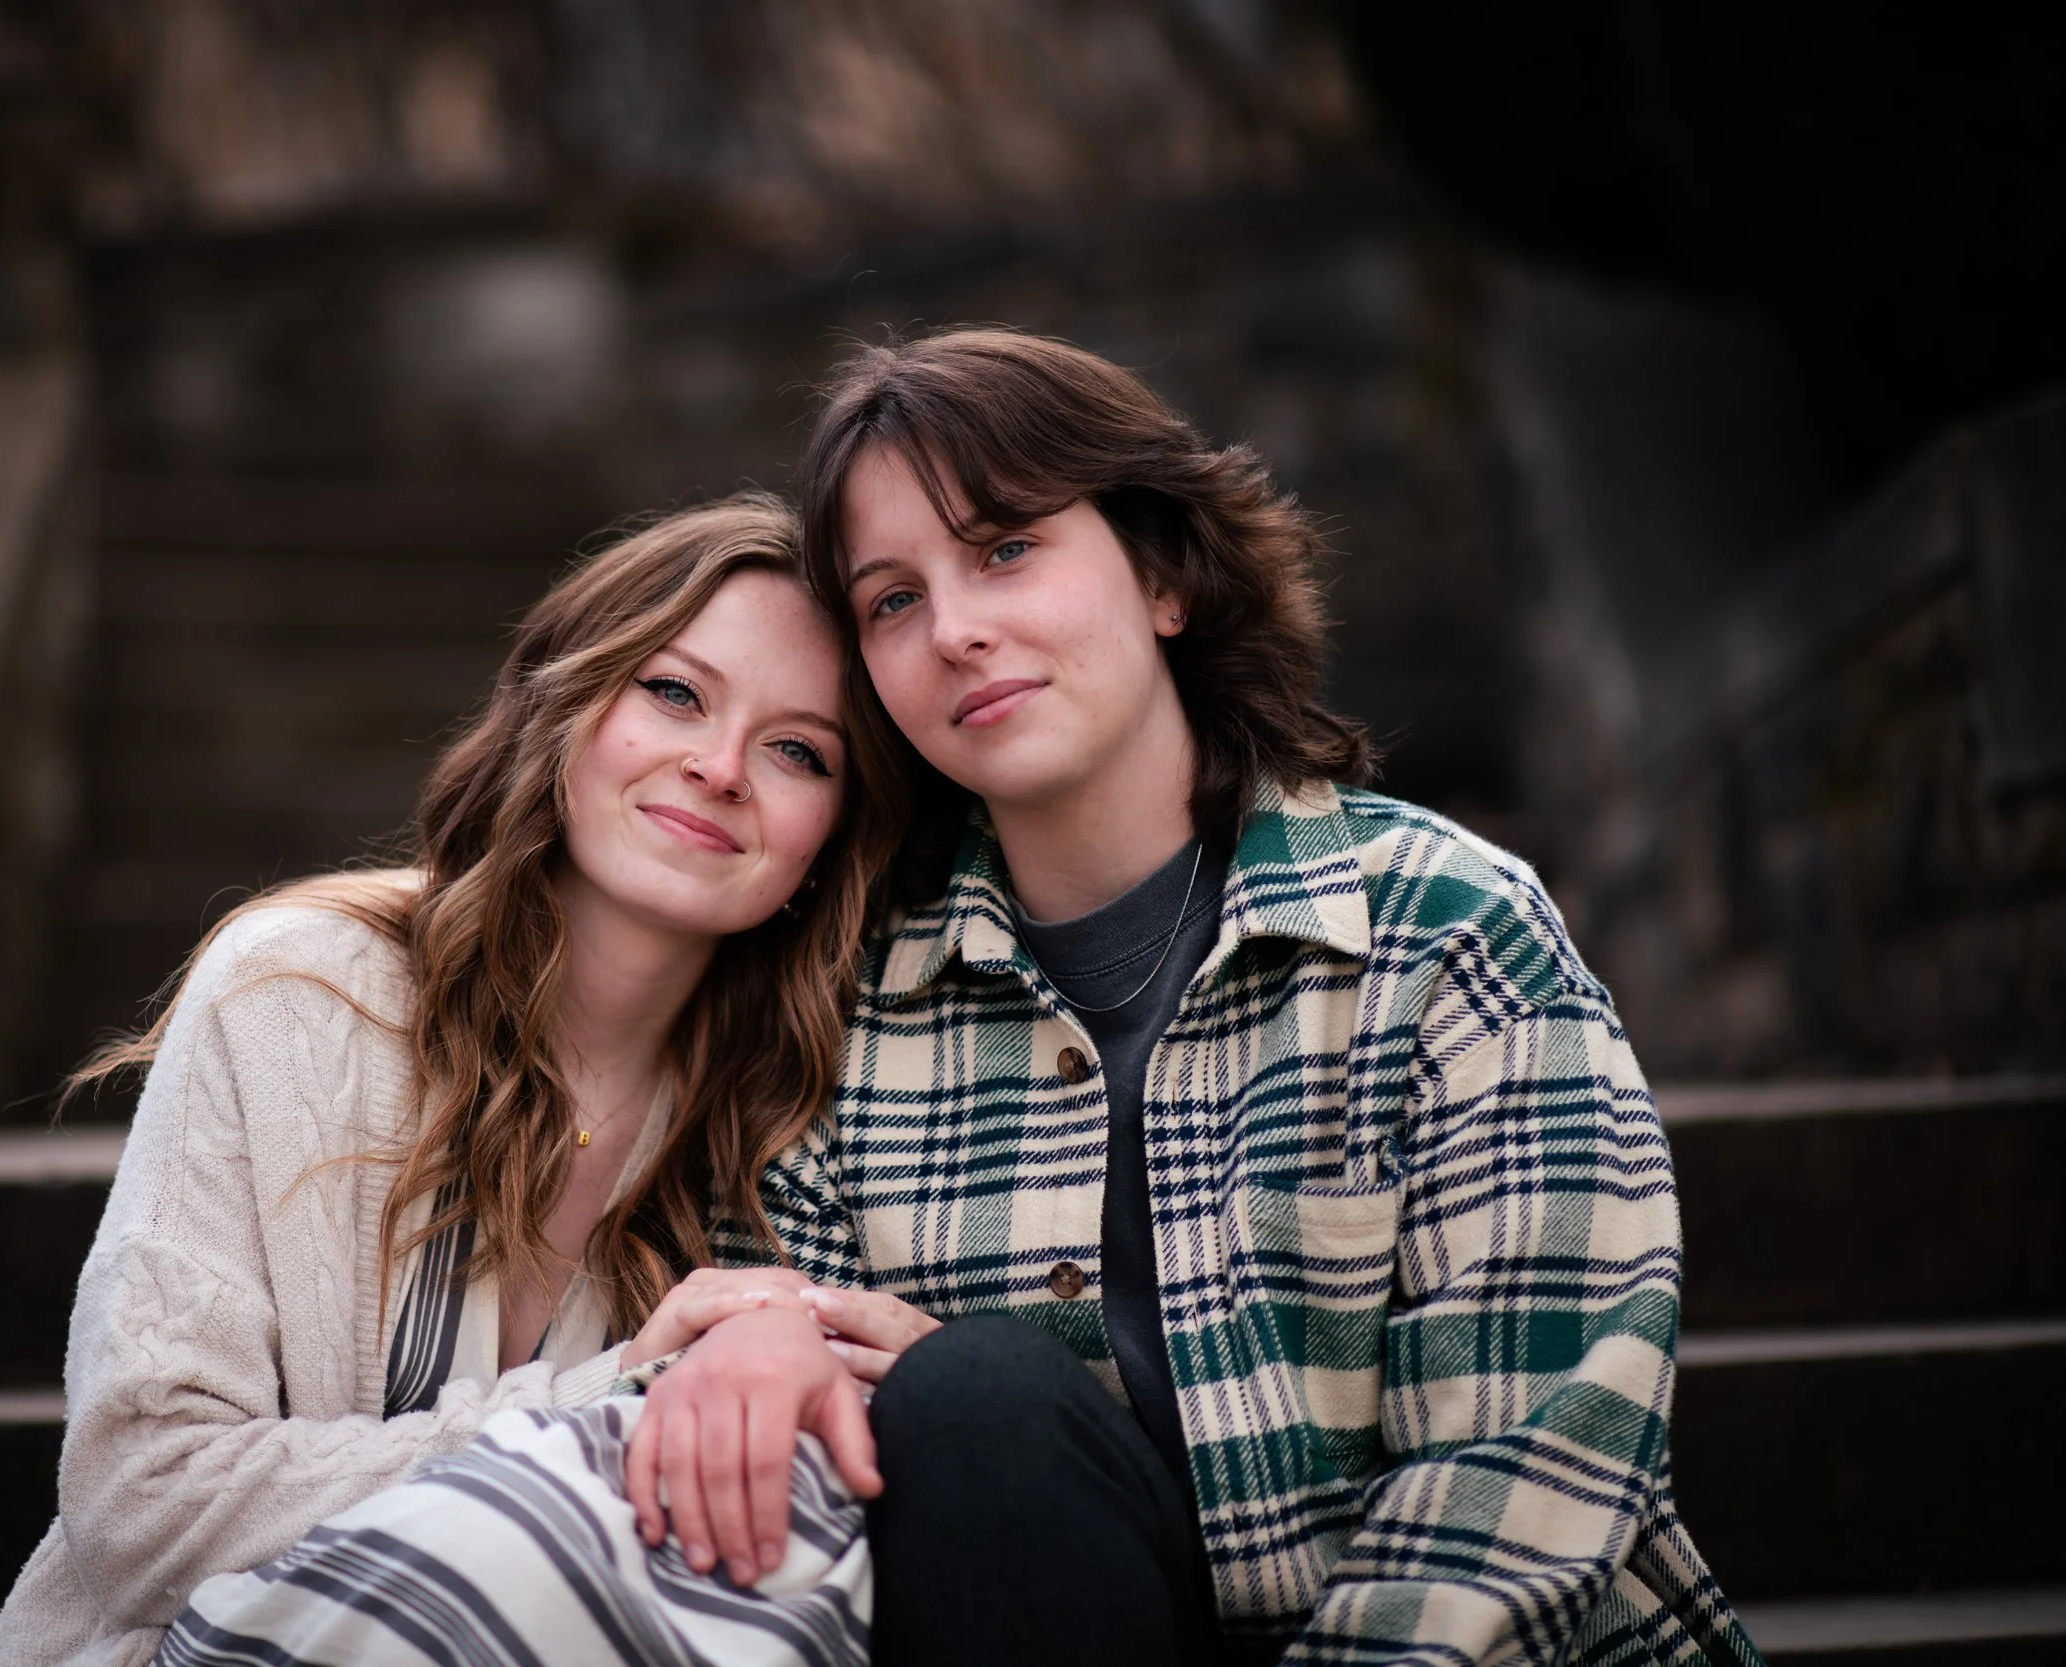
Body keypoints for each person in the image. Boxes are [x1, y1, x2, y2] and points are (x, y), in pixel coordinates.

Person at [162, 327, 1763, 1667]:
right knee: (981, 1397)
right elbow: (830, 1399)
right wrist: (762, 1336)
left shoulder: (1445, 929)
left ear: (1161, 576)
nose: (957, 628)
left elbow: (1536, 1456)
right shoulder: (853, 1003)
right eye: (891, 599)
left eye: (1005, 548)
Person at [0, 492, 898, 1667]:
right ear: (564, 708)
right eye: (674, 691)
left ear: (831, 841)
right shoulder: (299, 992)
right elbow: (140, 1505)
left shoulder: (786, 1116)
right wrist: (606, 1394)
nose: (719, 767)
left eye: (797, 749)